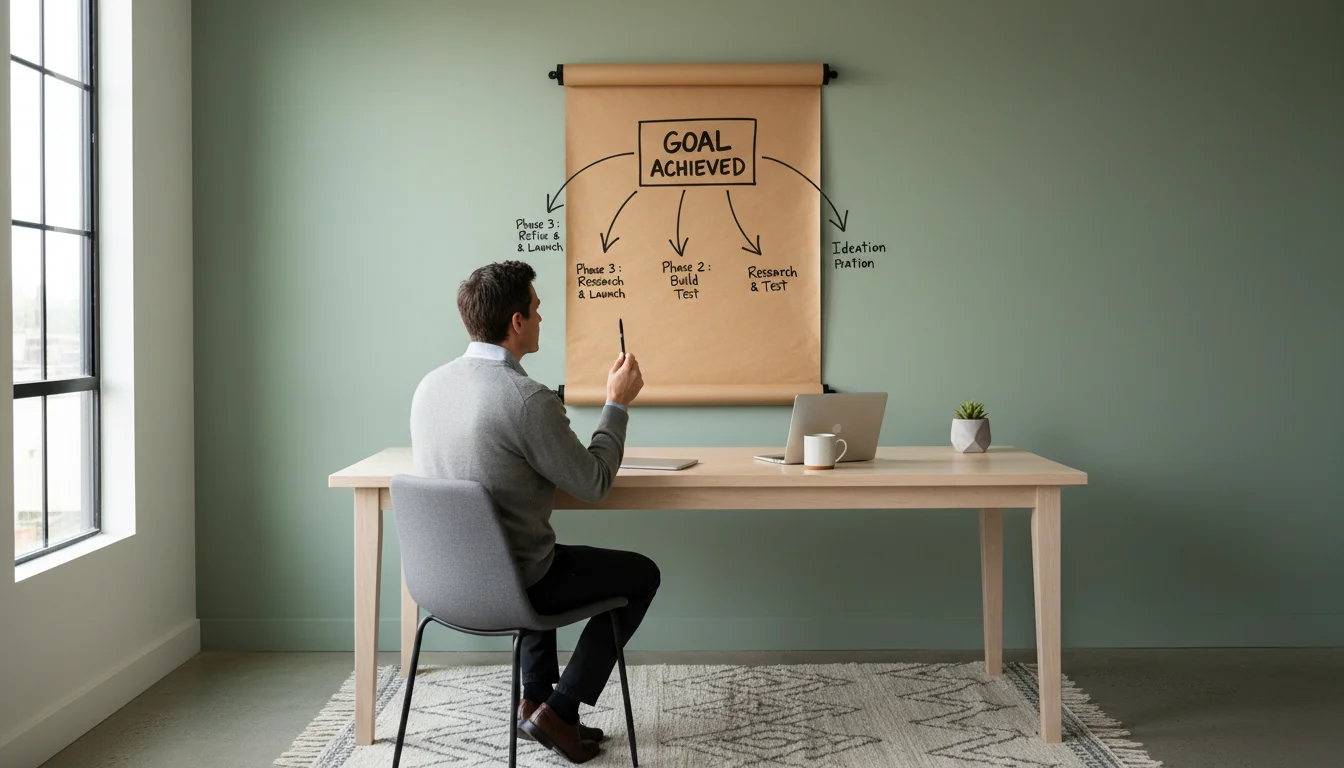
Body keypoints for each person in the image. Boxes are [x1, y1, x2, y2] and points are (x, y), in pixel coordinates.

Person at [410, 260, 657, 763]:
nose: (542, 319)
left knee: (537, 547)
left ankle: (534, 701)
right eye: (538, 310)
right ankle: (560, 711)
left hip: (446, 585)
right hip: (517, 582)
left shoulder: (429, 387)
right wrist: (617, 403)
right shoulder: (525, 400)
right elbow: (593, 483)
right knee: (640, 574)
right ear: (517, 322)